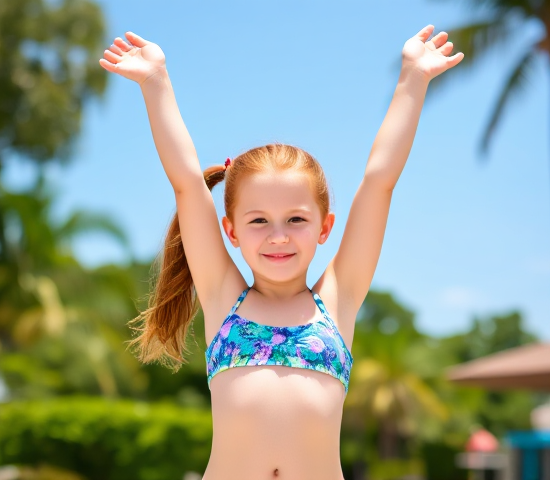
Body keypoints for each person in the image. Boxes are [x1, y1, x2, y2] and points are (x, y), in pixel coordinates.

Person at [99, 25, 463, 480]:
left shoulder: (338, 300)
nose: (278, 237)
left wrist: (413, 78)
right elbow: (189, 184)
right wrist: (156, 82)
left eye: (296, 219)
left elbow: (378, 182)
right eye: (258, 221)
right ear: (230, 231)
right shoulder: (222, 297)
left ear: (325, 227)